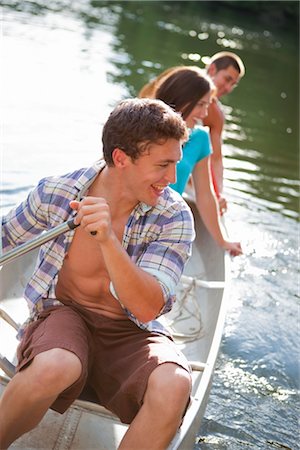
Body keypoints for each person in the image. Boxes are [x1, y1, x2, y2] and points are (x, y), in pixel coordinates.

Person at [0, 98, 195, 450]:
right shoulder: (56, 192)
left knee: (174, 385)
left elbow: (148, 308)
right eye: (163, 165)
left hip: (131, 329)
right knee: (54, 365)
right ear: (121, 158)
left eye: (176, 164)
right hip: (63, 313)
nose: (173, 179)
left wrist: (108, 241)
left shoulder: (173, 216)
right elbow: (5, 239)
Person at [139, 66, 242, 257]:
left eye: (208, 105)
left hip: (165, 225)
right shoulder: (142, 127)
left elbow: (204, 195)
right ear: (183, 99)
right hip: (132, 219)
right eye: (201, 105)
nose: (204, 114)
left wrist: (222, 241)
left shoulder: (200, 138)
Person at [139, 51, 246, 213]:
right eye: (227, 79)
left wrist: (218, 195)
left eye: (234, 84)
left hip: (184, 171)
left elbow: (216, 159)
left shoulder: (215, 116)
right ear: (212, 70)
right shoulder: (182, 82)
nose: (229, 87)